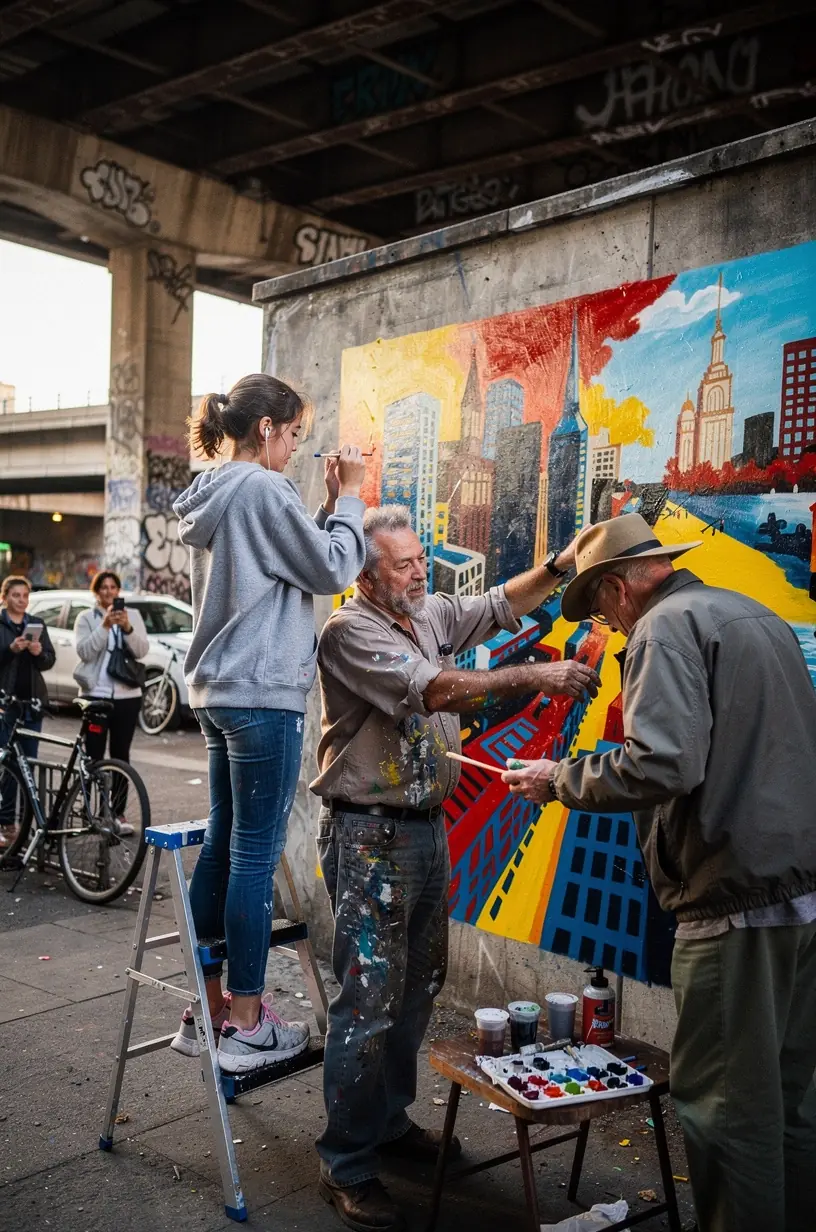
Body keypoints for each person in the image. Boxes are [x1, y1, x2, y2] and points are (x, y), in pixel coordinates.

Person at [502, 512, 816, 1232]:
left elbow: (664, 761)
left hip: (735, 900)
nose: (605, 626)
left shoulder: (663, 630)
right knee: (791, 1101)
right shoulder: (752, 614)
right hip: (801, 891)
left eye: (600, 610)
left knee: (727, 1110)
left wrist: (559, 779)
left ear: (617, 589)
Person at [312, 505, 599, 1232]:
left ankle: (388, 1123)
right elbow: (435, 690)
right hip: (369, 835)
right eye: (405, 564)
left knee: (417, 987)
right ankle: (345, 1161)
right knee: (367, 998)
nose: (421, 572)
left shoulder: (426, 611)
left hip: (423, 830)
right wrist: (540, 674)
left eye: (418, 560)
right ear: (369, 576)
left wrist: (561, 567)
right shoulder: (351, 631)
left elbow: (500, 604)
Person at [170, 372, 367, 1075]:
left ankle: (208, 1008)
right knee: (253, 857)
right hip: (262, 693)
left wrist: (328, 507)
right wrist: (355, 503)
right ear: (265, 429)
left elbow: (281, 563)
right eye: (292, 436)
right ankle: (248, 1023)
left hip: (219, 692)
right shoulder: (261, 488)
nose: (293, 450)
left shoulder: (220, 491)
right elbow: (333, 566)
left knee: (224, 846)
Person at [74, 571, 150, 830]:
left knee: (121, 756)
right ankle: (90, 811)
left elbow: (142, 650)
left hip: (127, 697)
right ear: (96, 592)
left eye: (113, 587)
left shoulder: (133, 616)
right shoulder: (86, 618)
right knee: (93, 757)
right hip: (95, 696)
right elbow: (84, 651)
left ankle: (117, 814)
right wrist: (105, 626)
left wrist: (126, 628)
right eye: (103, 588)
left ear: (119, 591)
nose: (108, 592)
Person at [0, 575, 55, 846]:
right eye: (16, 595)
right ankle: (7, 824)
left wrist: (38, 652)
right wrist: (10, 650)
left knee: (28, 766)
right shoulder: (1, 624)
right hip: (4, 704)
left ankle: (27, 828)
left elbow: (48, 661)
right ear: (5, 597)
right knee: (7, 765)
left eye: (25, 595)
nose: (21, 600)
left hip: (31, 704)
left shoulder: (37, 624)